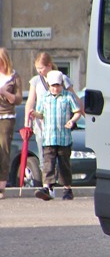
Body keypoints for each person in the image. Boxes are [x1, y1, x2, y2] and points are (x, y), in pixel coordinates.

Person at [32, 71, 81, 201]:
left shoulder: (68, 96)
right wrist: (34, 114)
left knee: (64, 164)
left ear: (62, 85)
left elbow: (77, 111)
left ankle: (67, 188)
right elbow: (41, 114)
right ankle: (47, 187)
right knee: (48, 163)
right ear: (48, 85)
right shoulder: (44, 97)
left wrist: (72, 120)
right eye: (53, 86)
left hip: (64, 137)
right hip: (49, 137)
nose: (56, 88)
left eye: (58, 85)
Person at [25, 52, 82, 143]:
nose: (39, 71)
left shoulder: (62, 78)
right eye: (37, 68)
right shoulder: (36, 80)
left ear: (49, 65)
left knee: (61, 152)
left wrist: (83, 114)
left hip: (61, 125)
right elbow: (30, 101)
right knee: (44, 153)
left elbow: (74, 97)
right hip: (42, 125)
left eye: (41, 68)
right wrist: (27, 123)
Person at [0, 48, 23, 199]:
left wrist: (5, 93)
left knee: (3, 149)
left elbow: (19, 99)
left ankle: (1, 186)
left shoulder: (14, 77)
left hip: (6, 117)